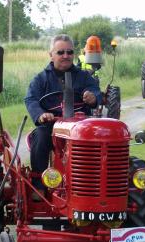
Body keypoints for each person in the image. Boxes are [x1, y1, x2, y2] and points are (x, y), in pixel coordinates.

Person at [24, 34, 102, 196]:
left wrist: (94, 97)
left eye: (69, 52)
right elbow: (31, 99)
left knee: (101, 139)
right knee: (41, 135)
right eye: (60, 52)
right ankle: (39, 184)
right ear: (51, 55)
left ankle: (96, 184)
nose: (65, 56)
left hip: (81, 126)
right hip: (52, 126)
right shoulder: (40, 79)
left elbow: (96, 92)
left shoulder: (83, 76)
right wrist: (41, 115)